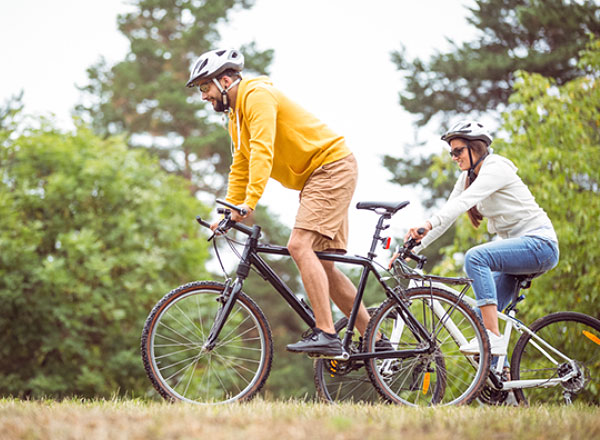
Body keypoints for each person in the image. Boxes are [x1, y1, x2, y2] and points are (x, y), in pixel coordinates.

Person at [186, 48, 374, 357]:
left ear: (224, 80)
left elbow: (262, 150)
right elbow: (242, 165)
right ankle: (376, 339)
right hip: (320, 175)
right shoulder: (235, 119)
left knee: (298, 246)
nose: (204, 96)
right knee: (323, 266)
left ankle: (326, 333)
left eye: (205, 87)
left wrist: (250, 202)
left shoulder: (256, 94)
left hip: (330, 168)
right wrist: (229, 209)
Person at [392, 120, 559, 356]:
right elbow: (447, 216)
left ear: (476, 147)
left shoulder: (496, 167)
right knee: (480, 319)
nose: (453, 157)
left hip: (541, 245)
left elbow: (462, 204)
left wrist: (427, 224)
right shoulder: (467, 178)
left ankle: (492, 338)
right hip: (520, 254)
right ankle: (501, 384)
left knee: (476, 257)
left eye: (458, 151)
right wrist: (410, 250)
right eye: (451, 153)